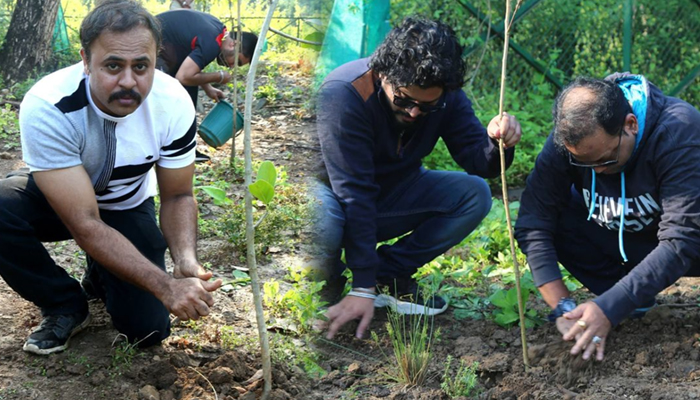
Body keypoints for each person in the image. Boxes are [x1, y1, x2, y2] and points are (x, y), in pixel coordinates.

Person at [0, 0, 222, 356]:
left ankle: (102, 273)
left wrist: (185, 259)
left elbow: (178, 195)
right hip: (62, 200)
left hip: (126, 203)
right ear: (86, 61)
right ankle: (64, 303)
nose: (128, 82)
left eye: (141, 66)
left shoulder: (173, 102)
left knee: (147, 330)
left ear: (156, 59)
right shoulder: (48, 104)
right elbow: (84, 223)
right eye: (113, 66)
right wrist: (164, 285)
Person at [315, 18, 522, 340]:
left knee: (474, 194)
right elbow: (353, 191)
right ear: (383, 73)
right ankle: (328, 285)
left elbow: (478, 161)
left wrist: (499, 143)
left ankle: (389, 275)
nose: (414, 113)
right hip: (336, 199)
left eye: (427, 106)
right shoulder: (345, 94)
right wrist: (361, 284)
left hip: (394, 194)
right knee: (321, 217)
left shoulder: (446, 96)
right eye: (403, 101)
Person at [514, 74, 700, 361]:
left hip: (688, 244)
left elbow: (682, 240)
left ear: (630, 125)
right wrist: (563, 307)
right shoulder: (572, 139)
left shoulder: (677, 131)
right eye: (585, 163)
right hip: (623, 238)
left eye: (606, 159)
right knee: (554, 212)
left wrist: (610, 308)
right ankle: (629, 296)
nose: (597, 172)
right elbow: (533, 219)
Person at [156, 10, 258, 162]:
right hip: (153, 47)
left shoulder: (218, 31)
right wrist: (219, 76)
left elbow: (194, 65)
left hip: (169, 51)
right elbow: (183, 76)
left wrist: (208, 88)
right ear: (233, 44)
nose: (231, 66)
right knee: (172, 93)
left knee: (189, 90)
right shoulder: (212, 43)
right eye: (236, 62)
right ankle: (164, 146)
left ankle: (185, 147)